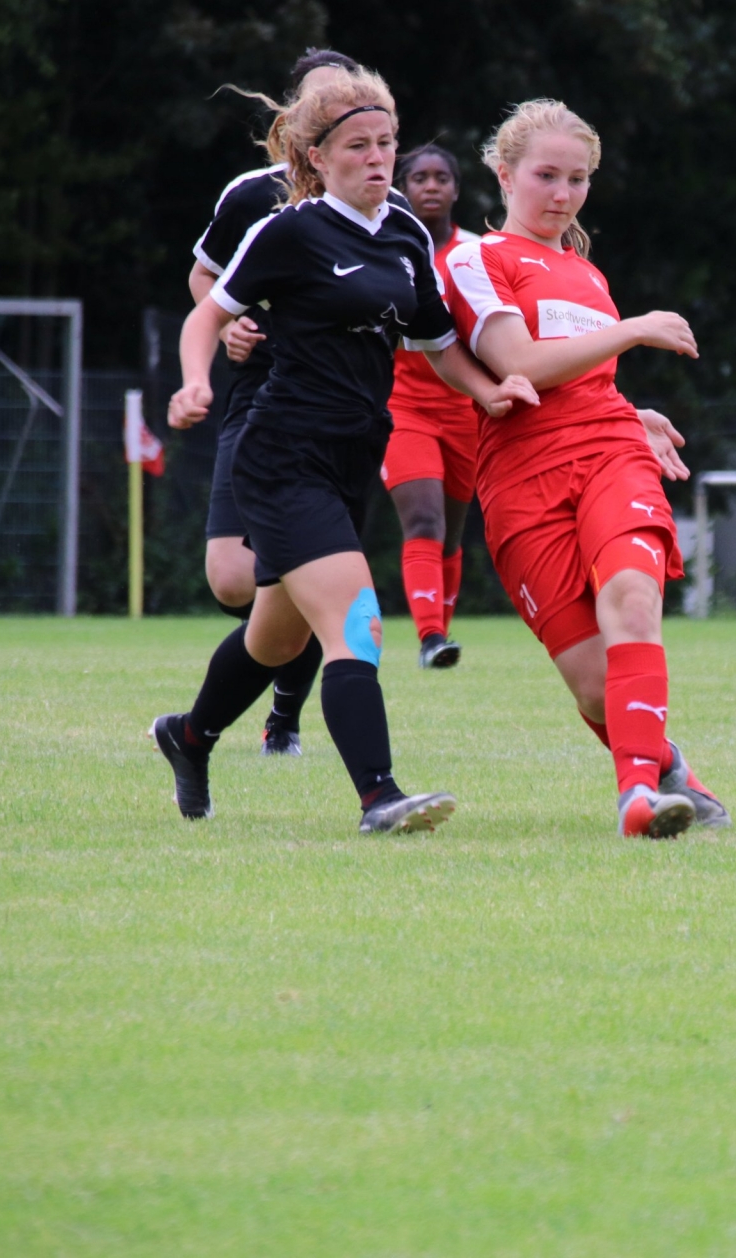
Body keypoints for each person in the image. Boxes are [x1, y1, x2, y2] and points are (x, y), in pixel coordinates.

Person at [153, 66, 535, 833]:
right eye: (358, 145)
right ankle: (379, 797)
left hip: (351, 460)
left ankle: (188, 737)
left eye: (386, 142)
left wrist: (489, 390)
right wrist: (195, 381)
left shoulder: (405, 235)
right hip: (282, 455)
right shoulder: (289, 230)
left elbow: (437, 342)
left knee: (276, 637)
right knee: (356, 623)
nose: (378, 158)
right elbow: (205, 315)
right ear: (317, 157)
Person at [441, 98, 729, 839]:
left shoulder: (587, 275)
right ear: (505, 174)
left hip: (610, 454)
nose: (563, 194)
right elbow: (522, 365)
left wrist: (632, 412)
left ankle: (637, 799)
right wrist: (633, 330)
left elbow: (585, 383)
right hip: (520, 480)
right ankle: (671, 771)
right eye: (547, 175)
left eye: (578, 179)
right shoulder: (476, 259)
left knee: (633, 597)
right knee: (597, 688)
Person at [185, 48, 359, 754]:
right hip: (261, 397)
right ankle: (215, 721)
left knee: (308, 576)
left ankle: (283, 719)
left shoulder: (385, 205)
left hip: (338, 412)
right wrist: (229, 327)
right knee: (233, 579)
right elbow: (205, 280)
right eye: (320, 103)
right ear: (293, 118)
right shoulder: (252, 195)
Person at [382, 143, 482, 668]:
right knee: (423, 519)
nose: (431, 186)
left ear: (456, 189)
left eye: (441, 177)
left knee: (451, 533)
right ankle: (431, 639)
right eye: (419, 178)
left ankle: (440, 633)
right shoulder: (386, 246)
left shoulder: (477, 254)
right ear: (402, 188)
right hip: (404, 407)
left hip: (467, 410)